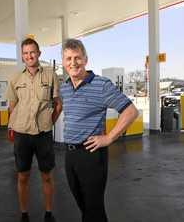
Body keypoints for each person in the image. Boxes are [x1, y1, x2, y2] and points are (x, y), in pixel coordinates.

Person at [60, 38, 139, 222]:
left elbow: (130, 111)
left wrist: (109, 138)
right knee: (83, 206)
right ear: (64, 63)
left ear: (86, 59)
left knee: (94, 209)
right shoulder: (64, 87)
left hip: (91, 154)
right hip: (70, 155)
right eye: (69, 59)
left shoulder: (101, 85)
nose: (73, 63)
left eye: (77, 58)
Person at [7, 38, 62, 222]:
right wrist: (15, 125)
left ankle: (48, 213)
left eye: (32, 52)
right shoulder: (15, 79)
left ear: (39, 53)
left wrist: (49, 123)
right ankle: (24, 214)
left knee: (46, 176)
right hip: (22, 134)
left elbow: (58, 105)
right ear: (22, 56)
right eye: (25, 53)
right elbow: (12, 107)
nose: (29, 56)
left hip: (43, 134)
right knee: (22, 176)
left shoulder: (50, 75)